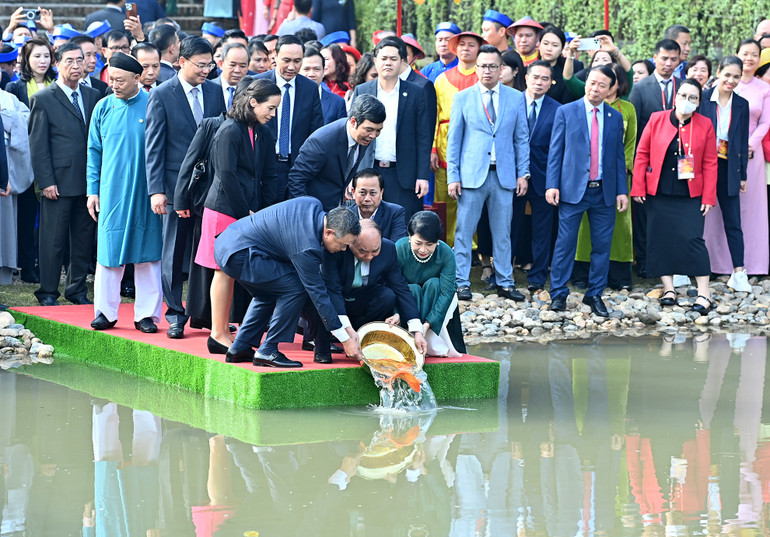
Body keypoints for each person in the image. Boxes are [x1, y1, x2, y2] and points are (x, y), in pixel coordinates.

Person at [214, 200, 365, 367]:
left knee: (267, 294)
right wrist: (345, 340)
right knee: (296, 288)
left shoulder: (313, 205)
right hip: (240, 252)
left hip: (229, 243)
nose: (344, 250)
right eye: (343, 245)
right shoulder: (307, 247)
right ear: (329, 233)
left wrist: (347, 329)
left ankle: (240, 347)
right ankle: (268, 350)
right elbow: (318, 294)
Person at [145, 36, 227, 339]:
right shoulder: (162, 94)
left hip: (208, 188)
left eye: (210, 65)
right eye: (200, 65)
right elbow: (153, 146)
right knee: (173, 250)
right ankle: (174, 313)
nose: (206, 70)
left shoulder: (215, 92)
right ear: (182, 62)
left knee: (204, 250)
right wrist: (156, 190)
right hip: (173, 186)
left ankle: (201, 312)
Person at [194, 79, 280, 354]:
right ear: (253, 102)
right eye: (270, 108)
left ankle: (223, 331)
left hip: (243, 211)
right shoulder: (229, 129)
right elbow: (226, 176)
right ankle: (218, 334)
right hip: (224, 210)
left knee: (229, 273)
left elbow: (262, 174)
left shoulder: (258, 130)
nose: (273, 114)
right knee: (222, 271)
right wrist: (246, 215)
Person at [87, 52, 163, 332]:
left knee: (149, 252)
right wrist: (92, 190)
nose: (114, 85)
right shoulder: (103, 107)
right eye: (111, 79)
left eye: (120, 80)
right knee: (108, 252)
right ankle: (105, 313)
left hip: (147, 190)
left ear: (137, 78)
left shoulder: (153, 104)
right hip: (112, 191)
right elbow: (93, 151)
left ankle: (146, 315)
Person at [447, 45, 529, 302]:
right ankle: (461, 282)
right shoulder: (463, 97)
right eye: (482, 66)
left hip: (504, 175)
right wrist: (453, 176)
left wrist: (523, 173)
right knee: (464, 231)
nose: (487, 71)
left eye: (493, 66)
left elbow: (521, 139)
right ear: (476, 68)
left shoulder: (515, 98)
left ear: (501, 68)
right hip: (471, 176)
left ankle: (505, 282)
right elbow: (454, 141)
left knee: (503, 233)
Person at [546, 65, 629, 317]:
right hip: (572, 190)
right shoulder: (566, 111)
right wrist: (552, 184)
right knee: (565, 244)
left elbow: (618, 157)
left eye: (602, 85)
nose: (595, 88)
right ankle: (558, 293)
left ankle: (594, 294)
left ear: (610, 89)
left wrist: (622, 190)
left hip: (604, 191)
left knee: (602, 246)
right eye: (592, 82)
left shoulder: (614, 117)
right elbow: (555, 151)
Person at [631, 78, 718, 312]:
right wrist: (637, 187)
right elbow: (642, 153)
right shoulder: (657, 119)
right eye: (683, 95)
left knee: (693, 240)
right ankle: (669, 289)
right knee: (660, 239)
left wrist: (709, 197)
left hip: (691, 193)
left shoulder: (705, 124)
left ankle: (704, 293)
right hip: (658, 192)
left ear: (698, 102)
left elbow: (710, 163)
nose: (686, 101)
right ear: (675, 97)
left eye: (693, 98)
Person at [28, 41, 101, 306]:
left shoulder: (93, 95)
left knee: (82, 239)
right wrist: (46, 181)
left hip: (88, 182)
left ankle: (77, 290)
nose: (76, 66)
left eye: (80, 60)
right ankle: (48, 292)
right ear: (57, 64)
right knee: (53, 240)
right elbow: (38, 145)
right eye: (69, 61)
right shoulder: (43, 98)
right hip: (57, 182)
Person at [308, 219, 426, 363]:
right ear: (350, 242)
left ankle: (364, 340)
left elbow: (401, 288)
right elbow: (333, 290)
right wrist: (346, 335)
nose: (369, 257)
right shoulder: (336, 249)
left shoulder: (388, 248)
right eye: (362, 251)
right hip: (334, 298)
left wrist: (417, 330)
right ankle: (322, 348)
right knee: (321, 299)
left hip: (361, 298)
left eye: (375, 251)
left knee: (387, 296)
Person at [352, 36, 432, 222]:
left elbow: (423, 137)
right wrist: (351, 175)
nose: (388, 63)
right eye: (384, 58)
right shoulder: (362, 91)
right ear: (375, 61)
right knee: (366, 226)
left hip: (403, 174)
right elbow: (353, 135)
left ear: (402, 62)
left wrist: (422, 176)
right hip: (369, 170)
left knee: (402, 226)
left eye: (393, 59)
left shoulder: (416, 92)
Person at [573, 62, 638, 290]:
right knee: (584, 227)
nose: (601, 87)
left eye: (608, 82)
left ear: (616, 84)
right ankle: (582, 273)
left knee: (620, 227)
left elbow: (630, 143)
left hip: (618, 177)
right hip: (586, 177)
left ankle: (619, 276)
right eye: (596, 82)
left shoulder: (627, 109)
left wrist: (624, 169)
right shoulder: (582, 107)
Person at [628, 38, 682, 278]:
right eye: (664, 58)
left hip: (678, 162)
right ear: (655, 58)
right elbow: (634, 129)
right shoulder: (640, 88)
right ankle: (644, 260)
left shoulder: (684, 87)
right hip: (648, 161)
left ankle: (671, 260)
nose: (668, 63)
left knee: (671, 212)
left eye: (674, 59)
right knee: (644, 213)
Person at [6, 37, 56, 285]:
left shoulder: (57, 84)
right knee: (27, 215)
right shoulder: (15, 88)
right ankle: (27, 265)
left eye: (46, 55)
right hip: (24, 158)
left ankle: (49, 264)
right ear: (26, 59)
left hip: (54, 156)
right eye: (37, 56)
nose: (42, 61)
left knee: (52, 216)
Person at [701, 56, 751, 291]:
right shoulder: (703, 98)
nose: (731, 80)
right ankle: (683, 269)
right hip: (702, 167)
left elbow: (741, 139)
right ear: (719, 72)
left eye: (736, 76)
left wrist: (743, 175)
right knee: (694, 219)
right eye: (727, 75)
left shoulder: (741, 104)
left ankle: (739, 273)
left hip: (728, 167)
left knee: (733, 222)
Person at [432, 31, 485, 246]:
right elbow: (434, 116)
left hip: (476, 146)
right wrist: (433, 148)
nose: (466, 48)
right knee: (444, 199)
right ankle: (443, 244)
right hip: (445, 145)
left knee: (473, 200)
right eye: (462, 44)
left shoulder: (484, 78)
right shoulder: (441, 79)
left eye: (471, 45)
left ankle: (472, 248)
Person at [256, 35, 324, 202]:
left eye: (297, 61)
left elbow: (316, 132)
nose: (292, 67)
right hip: (263, 166)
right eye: (286, 60)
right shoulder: (258, 84)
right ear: (275, 56)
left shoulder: (310, 88)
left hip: (296, 168)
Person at [288, 94, 384, 210]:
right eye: (369, 130)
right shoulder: (322, 142)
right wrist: (307, 212)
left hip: (335, 207)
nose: (373, 135)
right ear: (353, 122)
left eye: (378, 130)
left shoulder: (363, 138)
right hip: (315, 209)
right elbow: (296, 179)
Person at [515, 60, 560, 293]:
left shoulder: (558, 109)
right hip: (513, 177)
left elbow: (560, 150)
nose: (539, 82)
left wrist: (554, 182)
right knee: (509, 227)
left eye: (545, 79)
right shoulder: (511, 102)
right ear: (526, 78)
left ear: (551, 83)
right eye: (535, 77)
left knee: (542, 231)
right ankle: (504, 274)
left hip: (545, 179)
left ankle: (538, 276)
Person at [395, 211, 464, 357]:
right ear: (410, 237)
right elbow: (393, 285)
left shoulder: (446, 253)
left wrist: (426, 325)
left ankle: (434, 342)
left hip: (436, 299)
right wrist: (397, 314)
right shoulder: (399, 248)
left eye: (429, 244)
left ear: (437, 241)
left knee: (435, 283)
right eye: (418, 243)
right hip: (407, 299)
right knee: (412, 288)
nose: (423, 250)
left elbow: (447, 293)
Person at [730, 39, 770, 275]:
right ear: (737, 54)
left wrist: (750, 144)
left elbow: (765, 122)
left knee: (752, 208)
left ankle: (754, 263)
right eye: (745, 53)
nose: (749, 58)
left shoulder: (764, 89)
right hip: (724, 152)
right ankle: (720, 262)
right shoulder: (726, 83)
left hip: (752, 154)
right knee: (725, 204)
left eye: (754, 54)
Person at [349, 168, 407, 242]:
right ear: (353, 192)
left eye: (373, 193)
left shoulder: (395, 213)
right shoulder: (346, 215)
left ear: (381, 193)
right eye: (362, 193)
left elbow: (396, 246)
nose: (367, 199)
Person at [538, 25, 584, 104]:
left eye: (555, 45)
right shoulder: (531, 68)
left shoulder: (574, 66)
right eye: (545, 43)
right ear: (539, 45)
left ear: (562, 49)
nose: (549, 49)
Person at [300, 47, 346, 124]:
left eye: (317, 69)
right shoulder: (288, 98)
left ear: (323, 71)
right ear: (298, 71)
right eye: (306, 69)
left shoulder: (337, 103)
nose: (311, 74)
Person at [212, 42, 250, 109]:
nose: (237, 70)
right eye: (232, 65)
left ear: (248, 67)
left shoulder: (252, 91)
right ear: (221, 64)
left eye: (242, 66)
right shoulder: (208, 88)